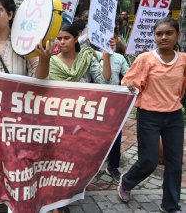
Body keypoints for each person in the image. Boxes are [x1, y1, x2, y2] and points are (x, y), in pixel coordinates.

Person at [35, 23, 112, 213]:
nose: (62, 42)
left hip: (82, 122)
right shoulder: (51, 61)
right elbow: (40, 82)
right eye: (59, 38)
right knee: (55, 160)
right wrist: (43, 61)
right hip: (56, 120)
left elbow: (105, 81)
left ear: (76, 39)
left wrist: (106, 58)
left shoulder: (87, 59)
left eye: (66, 38)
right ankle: (55, 204)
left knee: (73, 160)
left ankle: (66, 195)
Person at [118, 17, 185, 213]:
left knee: (174, 162)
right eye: (159, 34)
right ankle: (127, 181)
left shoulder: (183, 60)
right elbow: (127, 81)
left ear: (177, 35)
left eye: (168, 33)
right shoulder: (145, 59)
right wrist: (129, 85)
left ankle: (170, 205)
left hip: (174, 116)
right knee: (149, 160)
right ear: (154, 37)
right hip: (149, 116)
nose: (163, 37)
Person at [94, 37, 130, 182]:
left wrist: (129, 82)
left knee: (116, 133)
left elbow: (129, 75)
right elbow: (104, 79)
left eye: (112, 39)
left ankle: (112, 166)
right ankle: (92, 163)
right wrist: (105, 58)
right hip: (94, 101)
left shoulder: (120, 58)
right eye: (105, 38)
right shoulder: (91, 56)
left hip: (114, 102)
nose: (110, 41)